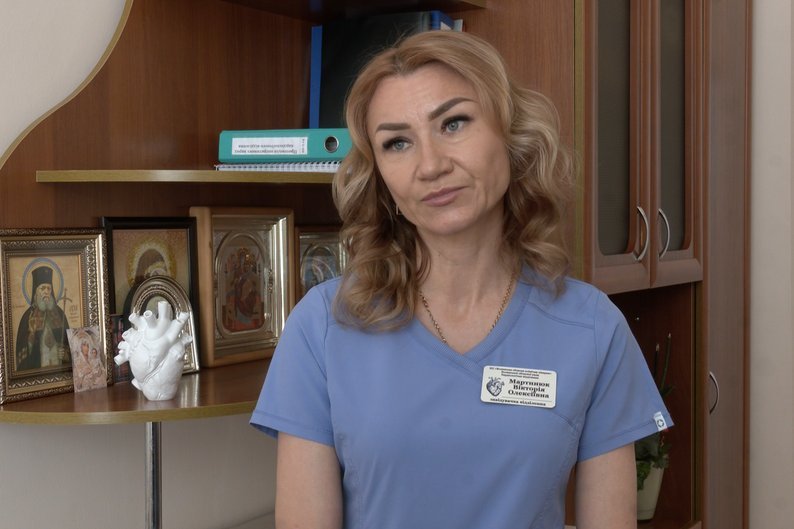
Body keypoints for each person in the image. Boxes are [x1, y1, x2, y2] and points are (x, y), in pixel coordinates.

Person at [251, 30, 672, 529]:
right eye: (397, 143)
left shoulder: (592, 327)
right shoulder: (323, 327)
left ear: (512, 136)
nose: (430, 165)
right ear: (380, 176)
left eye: (453, 123)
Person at [15, 265, 71, 371]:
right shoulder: (27, 317)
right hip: (38, 372)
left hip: (59, 372)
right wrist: (31, 341)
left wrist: (66, 355)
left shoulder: (59, 314)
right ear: (35, 291)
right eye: (42, 288)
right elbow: (22, 353)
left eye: (48, 288)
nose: (46, 292)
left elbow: (70, 345)